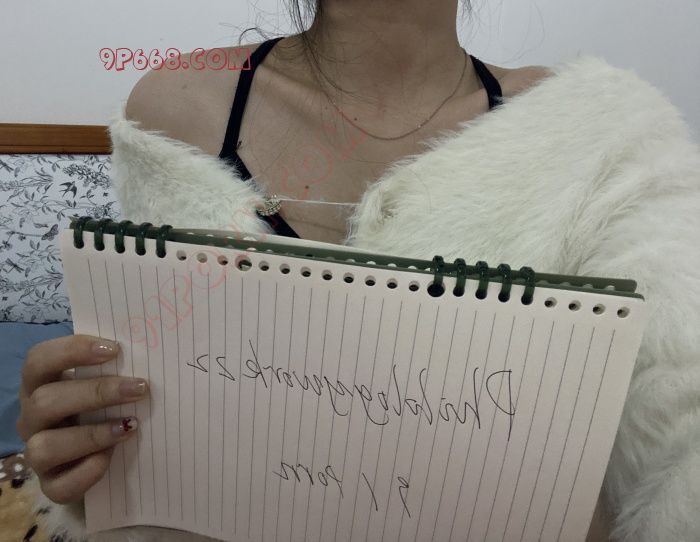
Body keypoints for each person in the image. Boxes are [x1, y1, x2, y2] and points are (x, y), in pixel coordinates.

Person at [18, 1, 700, 541]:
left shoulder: (606, 137)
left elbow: (680, 431)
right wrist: (93, 466)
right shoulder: (176, 110)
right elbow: (151, 405)